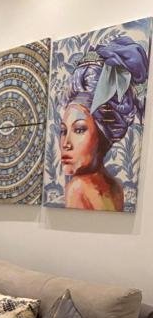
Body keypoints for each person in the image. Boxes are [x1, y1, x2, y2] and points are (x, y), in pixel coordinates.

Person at [59, 36, 148, 211]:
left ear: (103, 134)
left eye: (79, 129)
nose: (65, 144)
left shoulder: (77, 189)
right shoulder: (116, 187)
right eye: (63, 131)